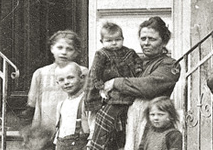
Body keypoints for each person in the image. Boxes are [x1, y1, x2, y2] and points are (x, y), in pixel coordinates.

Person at [102, 17, 180, 150]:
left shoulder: (169, 65)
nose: (146, 43)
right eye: (143, 39)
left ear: (164, 41)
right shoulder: (136, 62)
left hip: (152, 123)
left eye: (152, 39)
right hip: (127, 122)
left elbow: (148, 86)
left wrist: (116, 82)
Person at [87, 22, 143, 150]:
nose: (114, 43)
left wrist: (138, 70)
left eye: (117, 40)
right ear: (102, 41)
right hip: (110, 89)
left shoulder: (129, 52)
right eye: (109, 41)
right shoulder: (101, 54)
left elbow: (138, 62)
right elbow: (95, 71)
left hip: (127, 86)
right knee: (110, 113)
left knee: (126, 120)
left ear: (123, 39)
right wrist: (99, 86)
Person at [25, 30, 88, 142]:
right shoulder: (40, 73)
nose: (64, 52)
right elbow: (32, 104)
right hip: (45, 131)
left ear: (76, 53)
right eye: (60, 48)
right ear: (52, 49)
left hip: (72, 131)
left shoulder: (83, 73)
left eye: (69, 49)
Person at [52, 62, 90, 150]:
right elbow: (59, 130)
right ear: (57, 82)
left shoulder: (85, 102)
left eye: (70, 77)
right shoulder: (61, 104)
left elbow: (93, 130)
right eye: (61, 80)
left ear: (81, 78)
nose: (66, 82)